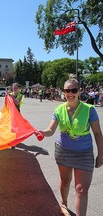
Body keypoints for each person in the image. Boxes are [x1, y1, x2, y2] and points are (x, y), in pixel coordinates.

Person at [37, 76, 103, 216]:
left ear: (79, 91)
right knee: (65, 181)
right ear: (64, 92)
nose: (70, 93)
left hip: (84, 153)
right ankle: (64, 203)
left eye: (73, 90)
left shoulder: (89, 109)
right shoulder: (58, 109)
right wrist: (42, 132)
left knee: (81, 190)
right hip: (63, 151)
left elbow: (97, 133)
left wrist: (101, 154)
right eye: (67, 90)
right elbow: (51, 130)